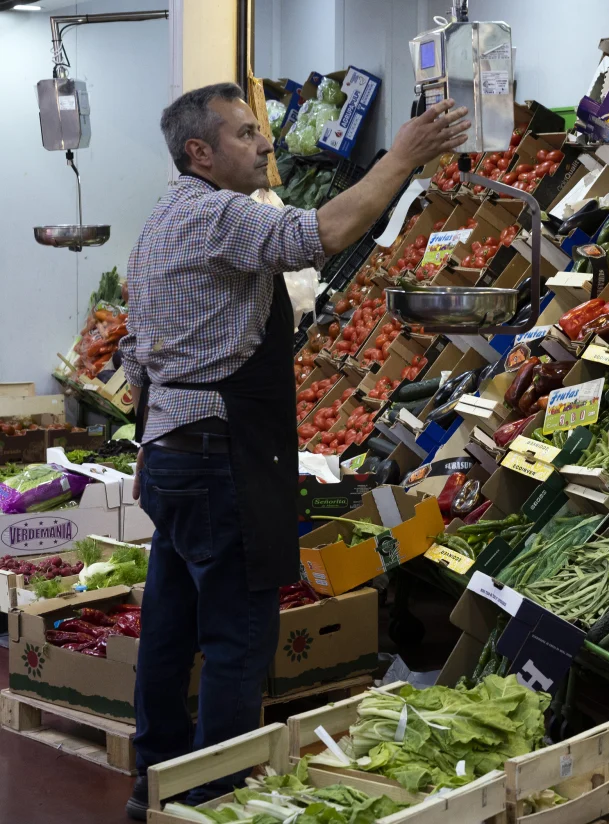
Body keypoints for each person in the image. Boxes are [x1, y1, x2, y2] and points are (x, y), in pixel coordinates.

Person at [118, 82, 468, 820]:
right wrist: (401, 156)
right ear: (200, 152)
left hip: (177, 448)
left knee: (172, 625)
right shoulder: (219, 215)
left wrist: (154, 440)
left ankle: (154, 784)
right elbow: (326, 233)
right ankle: (217, 801)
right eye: (245, 134)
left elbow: (135, 352)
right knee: (238, 635)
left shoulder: (162, 218)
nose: (264, 143)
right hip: (221, 454)